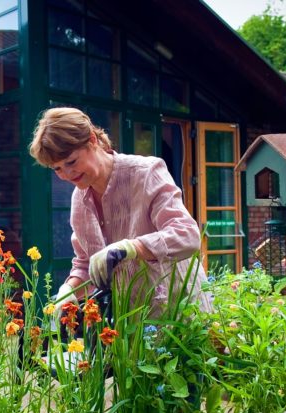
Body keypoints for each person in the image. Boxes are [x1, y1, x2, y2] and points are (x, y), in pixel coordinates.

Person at [28, 107, 212, 316]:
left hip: (180, 311)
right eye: (57, 168)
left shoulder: (145, 173)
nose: (67, 174)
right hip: (133, 321)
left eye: (71, 162)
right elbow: (88, 263)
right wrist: (69, 289)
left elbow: (188, 236)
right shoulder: (79, 200)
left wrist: (131, 247)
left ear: (92, 140)